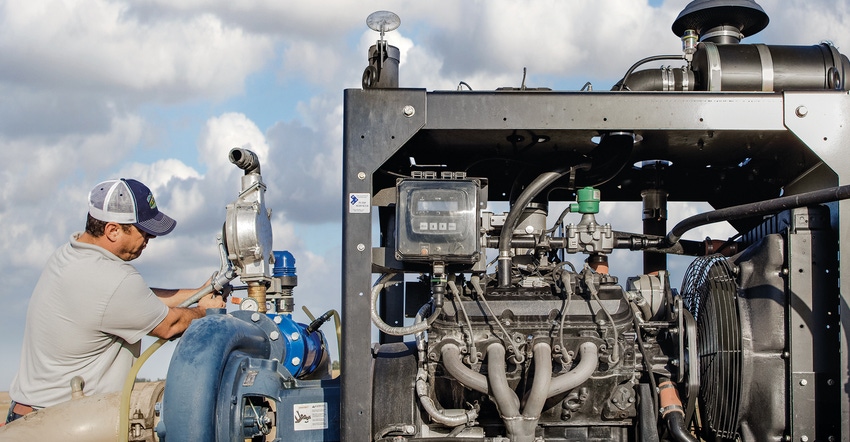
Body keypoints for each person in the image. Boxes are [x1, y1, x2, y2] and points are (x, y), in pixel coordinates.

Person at [5, 178, 226, 424]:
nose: (149, 240)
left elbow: (136, 300)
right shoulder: (115, 280)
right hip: (60, 425)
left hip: (26, 418)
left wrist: (202, 290)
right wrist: (205, 311)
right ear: (112, 230)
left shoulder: (69, 255)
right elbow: (169, 325)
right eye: (145, 231)